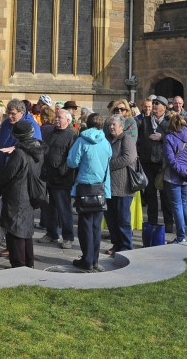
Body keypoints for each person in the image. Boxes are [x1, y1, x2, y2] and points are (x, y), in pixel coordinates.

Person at [0, 119, 44, 268]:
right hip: (29, 193)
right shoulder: (38, 148)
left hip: (17, 194)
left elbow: (8, 174)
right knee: (26, 231)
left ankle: (19, 264)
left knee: (15, 230)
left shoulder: (19, 153)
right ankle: (28, 262)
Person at [68, 114, 114, 268]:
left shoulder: (81, 140)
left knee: (85, 225)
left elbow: (72, 162)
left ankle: (87, 260)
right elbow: (109, 160)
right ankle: (94, 260)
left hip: (85, 187)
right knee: (96, 226)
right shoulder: (106, 142)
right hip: (101, 188)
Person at [40, 108, 77, 249]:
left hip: (62, 179)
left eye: (59, 117)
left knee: (64, 209)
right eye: (56, 117)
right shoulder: (50, 133)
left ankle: (68, 237)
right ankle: (51, 233)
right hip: (48, 177)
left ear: (67, 120)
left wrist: (62, 171)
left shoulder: (72, 136)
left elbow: (72, 158)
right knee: (50, 209)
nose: (56, 119)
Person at [160, 112, 187, 245]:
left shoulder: (169, 138)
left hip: (174, 178)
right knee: (184, 205)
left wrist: (183, 173)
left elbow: (171, 161)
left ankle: (181, 235)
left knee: (177, 206)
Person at [136, 95, 173, 235]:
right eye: (154, 103)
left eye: (158, 104)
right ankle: (152, 222)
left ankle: (169, 223)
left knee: (165, 195)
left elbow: (177, 138)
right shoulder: (144, 121)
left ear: (164, 107)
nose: (155, 106)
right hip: (147, 162)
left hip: (163, 164)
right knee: (150, 194)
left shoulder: (169, 122)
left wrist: (162, 137)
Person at [104, 114, 138, 253]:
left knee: (123, 220)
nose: (111, 127)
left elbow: (128, 158)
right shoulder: (107, 139)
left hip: (123, 187)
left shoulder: (127, 139)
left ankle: (126, 247)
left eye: (114, 125)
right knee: (111, 220)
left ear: (121, 127)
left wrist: (108, 165)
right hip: (109, 187)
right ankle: (116, 244)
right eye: (110, 124)